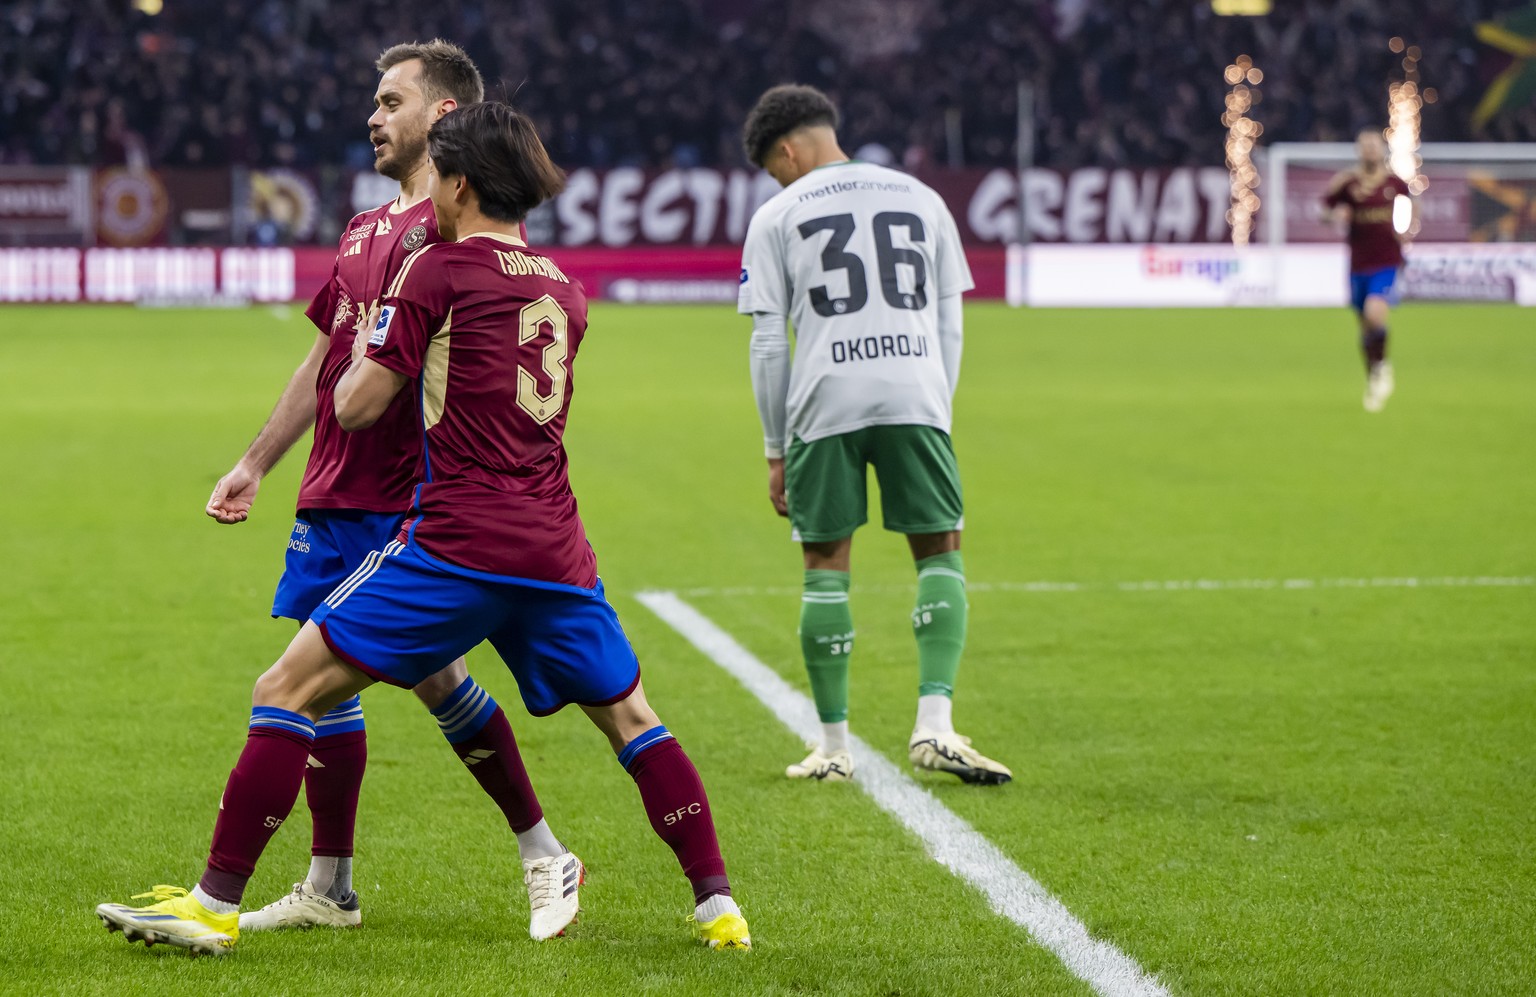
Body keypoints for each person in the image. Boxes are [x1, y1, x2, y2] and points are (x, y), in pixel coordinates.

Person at [96, 101, 751, 956]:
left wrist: (375, 338)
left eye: (438, 175)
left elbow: (356, 405)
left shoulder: (436, 271)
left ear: (462, 181)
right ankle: (719, 908)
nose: (429, 192)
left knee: (284, 689)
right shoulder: (564, 288)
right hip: (555, 546)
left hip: (456, 543)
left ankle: (213, 905)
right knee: (631, 717)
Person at [200, 40, 577, 939]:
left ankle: (538, 847)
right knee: (345, 683)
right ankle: (331, 882)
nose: (372, 116)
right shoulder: (366, 227)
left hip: (405, 493)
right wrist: (257, 460)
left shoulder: (455, 234)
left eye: (390, 100)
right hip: (332, 486)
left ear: (442, 116)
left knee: (411, 679)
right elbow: (329, 350)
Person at [736, 84, 1010, 786]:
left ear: (789, 151)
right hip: (916, 389)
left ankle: (831, 746)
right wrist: (934, 408)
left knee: (825, 562)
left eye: (775, 166)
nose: (779, 177)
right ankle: (935, 724)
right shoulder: (923, 197)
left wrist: (775, 447)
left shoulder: (778, 214)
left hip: (825, 399)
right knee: (939, 549)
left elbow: (769, 343)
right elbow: (950, 320)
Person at [1323, 129, 1417, 413]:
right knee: (1364, 324)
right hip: (1357, 264)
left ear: (1382, 150)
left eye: (1374, 146)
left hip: (1387, 261)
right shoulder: (1347, 183)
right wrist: (1334, 216)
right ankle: (1374, 375)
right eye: (1365, 146)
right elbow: (1323, 210)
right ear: (1359, 151)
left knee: (1375, 314)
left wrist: (1408, 229)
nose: (1370, 151)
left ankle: (1383, 366)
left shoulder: (1393, 183)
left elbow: (1413, 201)